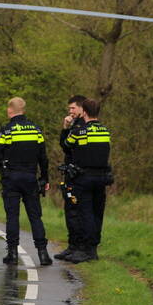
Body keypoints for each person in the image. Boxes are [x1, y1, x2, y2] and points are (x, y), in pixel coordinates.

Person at [0, 97, 52, 266]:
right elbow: (43, 158)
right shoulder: (36, 130)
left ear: (10, 110)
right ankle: (43, 254)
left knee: (12, 216)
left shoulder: (7, 130)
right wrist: (44, 178)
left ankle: (12, 254)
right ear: (23, 110)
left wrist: (4, 172)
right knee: (35, 216)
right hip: (31, 177)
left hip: (12, 178)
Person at [61, 98, 111, 263]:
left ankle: (86, 250)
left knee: (85, 213)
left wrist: (66, 128)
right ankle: (93, 249)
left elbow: (67, 145)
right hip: (102, 177)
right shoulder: (105, 130)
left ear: (85, 112)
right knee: (98, 213)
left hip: (84, 178)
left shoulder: (80, 131)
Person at [55, 95, 87, 261]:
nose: (70, 112)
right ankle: (72, 245)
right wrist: (65, 127)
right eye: (69, 109)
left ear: (82, 108)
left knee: (76, 212)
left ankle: (79, 247)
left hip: (78, 176)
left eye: (73, 108)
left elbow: (69, 148)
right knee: (70, 211)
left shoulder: (83, 126)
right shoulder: (74, 125)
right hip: (70, 173)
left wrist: (67, 129)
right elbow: (64, 147)